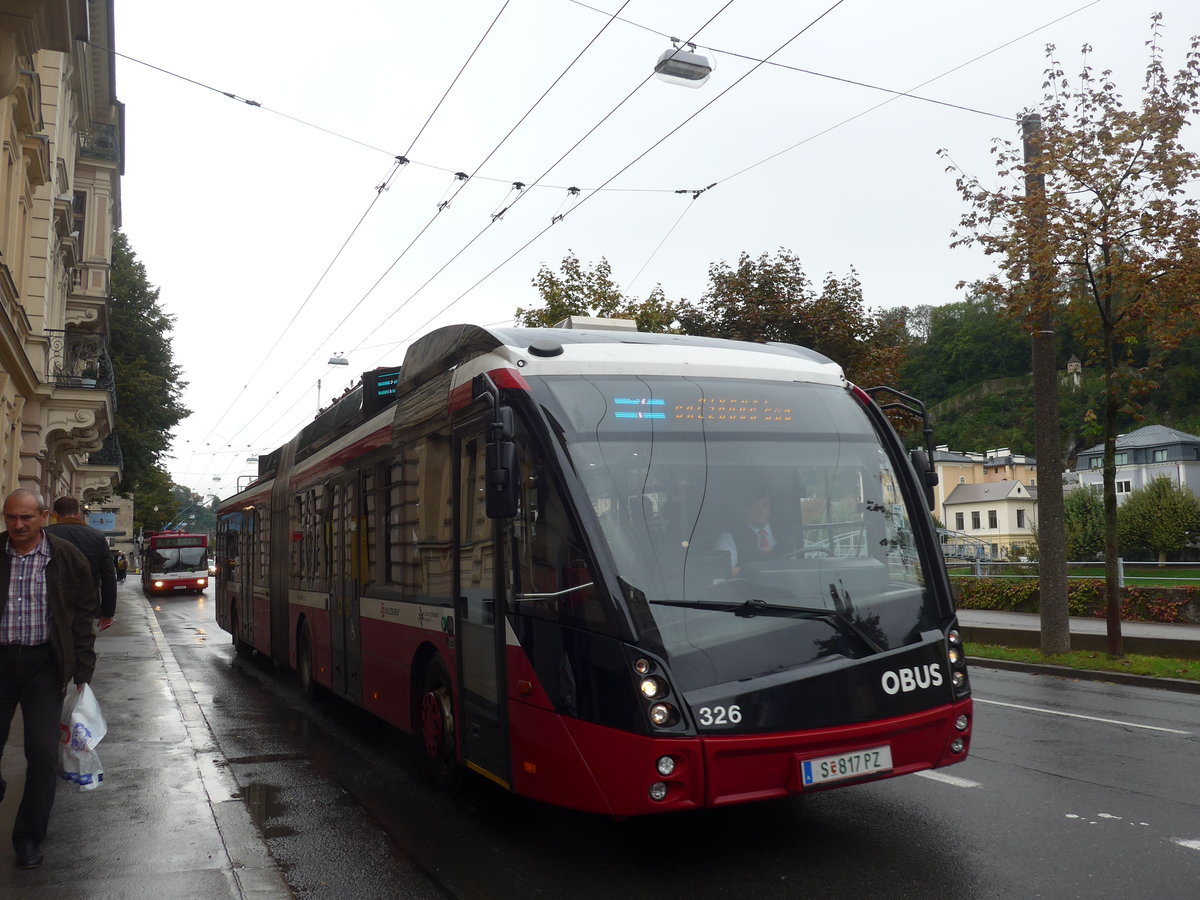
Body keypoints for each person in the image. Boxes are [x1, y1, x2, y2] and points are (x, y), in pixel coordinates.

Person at [0, 489, 99, 870]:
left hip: (44, 666)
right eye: (11, 518)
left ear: (44, 516)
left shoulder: (66, 557)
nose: (18, 525)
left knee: (41, 754)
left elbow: (83, 615)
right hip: (0, 662)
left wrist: (83, 673)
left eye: (26, 518)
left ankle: (28, 837)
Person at [44, 497, 116, 632]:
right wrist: (107, 612)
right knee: (83, 644)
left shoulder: (45, 534)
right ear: (78, 513)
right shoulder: (97, 536)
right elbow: (108, 577)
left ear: (56, 515)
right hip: (86, 603)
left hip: (52, 601)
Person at [713, 489, 787, 577]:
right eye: (755, 506)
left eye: (765, 505)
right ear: (742, 509)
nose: (761, 511)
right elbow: (722, 574)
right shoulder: (729, 538)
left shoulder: (786, 531)